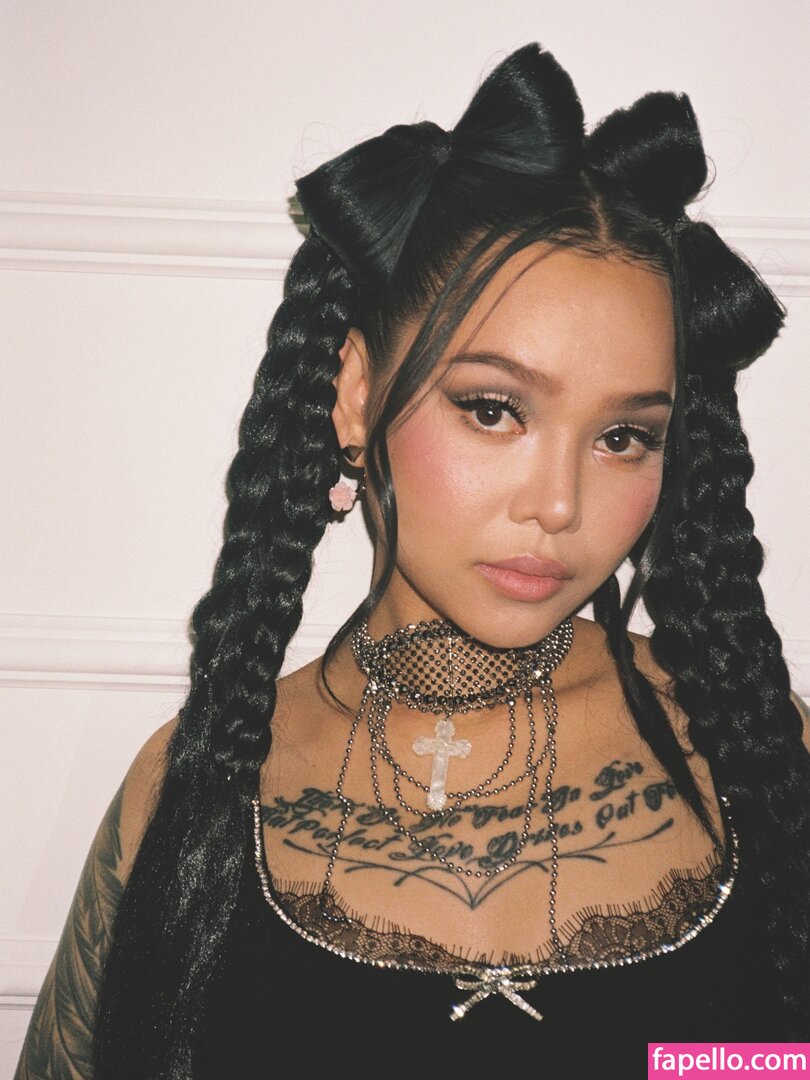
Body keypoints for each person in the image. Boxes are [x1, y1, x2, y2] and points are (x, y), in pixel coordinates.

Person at [14, 41, 810, 1080]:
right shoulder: (187, 794)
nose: (559, 505)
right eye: (494, 410)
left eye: (624, 438)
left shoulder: (762, 752)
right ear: (355, 396)